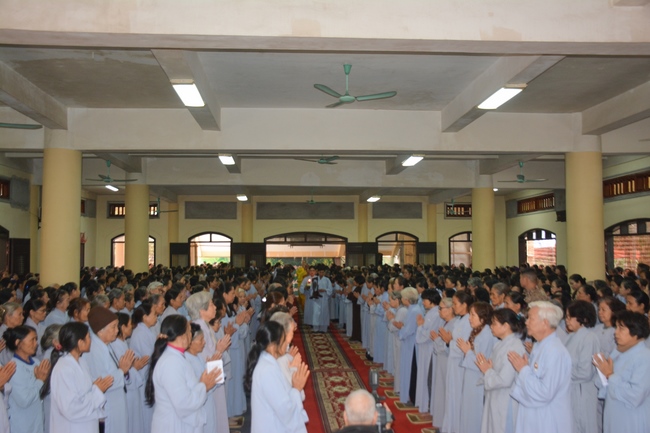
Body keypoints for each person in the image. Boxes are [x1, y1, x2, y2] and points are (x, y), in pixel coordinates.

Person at [146, 314, 220, 433]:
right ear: (182, 336)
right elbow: (184, 404)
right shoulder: (171, 362)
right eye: (189, 331)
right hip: (174, 425)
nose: (191, 335)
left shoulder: (177, 357)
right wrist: (203, 386)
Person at [508, 301, 572, 433]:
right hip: (534, 416)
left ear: (545, 323)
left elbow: (545, 392)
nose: (526, 322)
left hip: (547, 419)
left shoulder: (555, 351)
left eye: (530, 318)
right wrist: (523, 370)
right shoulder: (539, 346)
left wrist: (523, 370)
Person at [44, 321, 113, 433]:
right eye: (88, 337)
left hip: (87, 425)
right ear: (80, 342)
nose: (91, 341)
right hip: (72, 427)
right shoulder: (63, 368)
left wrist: (95, 386)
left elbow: (84, 391)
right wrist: (97, 391)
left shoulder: (81, 362)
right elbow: (71, 408)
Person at [245, 320, 310, 433]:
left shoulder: (269, 363)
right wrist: (296, 388)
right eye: (283, 340)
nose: (286, 344)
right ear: (272, 346)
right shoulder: (267, 370)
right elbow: (285, 412)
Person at [594, 310, 650, 433]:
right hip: (614, 416)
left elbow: (636, 395)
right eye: (616, 327)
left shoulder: (645, 357)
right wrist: (603, 374)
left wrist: (610, 375)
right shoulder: (618, 352)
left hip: (632, 419)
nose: (616, 332)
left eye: (621, 328)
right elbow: (605, 386)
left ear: (636, 332)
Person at [85, 306, 134, 433]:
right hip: (109, 405)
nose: (117, 330)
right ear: (100, 331)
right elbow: (103, 382)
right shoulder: (94, 351)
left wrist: (125, 372)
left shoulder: (106, 345)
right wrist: (122, 371)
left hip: (117, 401)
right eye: (113, 327)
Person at [187, 291, 230, 433]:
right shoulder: (198, 328)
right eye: (211, 305)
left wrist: (218, 351)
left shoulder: (204, 326)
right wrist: (219, 350)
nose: (215, 307)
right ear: (202, 310)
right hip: (207, 382)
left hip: (213, 380)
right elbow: (204, 361)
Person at [477, 308, 526, 433]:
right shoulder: (500, 344)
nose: (491, 327)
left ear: (505, 326)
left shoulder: (514, 347)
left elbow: (505, 380)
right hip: (495, 396)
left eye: (494, 323)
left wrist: (487, 371)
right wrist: (487, 369)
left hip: (505, 399)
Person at [458, 301, 496, 433]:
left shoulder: (486, 334)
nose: (469, 318)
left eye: (473, 315)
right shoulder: (478, 331)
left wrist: (467, 352)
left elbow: (482, 361)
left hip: (478, 379)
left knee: (474, 411)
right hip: (470, 376)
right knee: (467, 409)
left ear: (483, 318)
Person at [4, 325, 50, 433]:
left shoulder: (36, 362)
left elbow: (43, 393)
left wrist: (46, 379)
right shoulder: (13, 367)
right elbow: (24, 400)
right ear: (18, 343)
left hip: (37, 421)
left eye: (36, 339)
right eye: (32, 340)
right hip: (22, 425)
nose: (36, 343)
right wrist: (40, 381)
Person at [564, 300, 600, 433]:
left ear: (583, 319)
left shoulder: (589, 337)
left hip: (582, 391)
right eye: (566, 317)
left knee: (583, 425)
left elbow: (585, 372)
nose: (567, 320)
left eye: (570, 317)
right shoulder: (570, 337)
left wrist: (562, 372)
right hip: (570, 389)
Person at [111, 312, 149, 433]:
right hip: (128, 392)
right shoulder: (115, 345)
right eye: (129, 324)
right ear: (123, 328)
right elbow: (123, 369)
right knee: (131, 424)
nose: (132, 326)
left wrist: (134, 366)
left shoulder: (122, 343)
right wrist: (135, 367)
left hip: (133, 391)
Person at [441, 290, 473, 433]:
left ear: (464, 304)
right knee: (451, 395)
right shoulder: (460, 320)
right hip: (453, 362)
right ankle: (449, 427)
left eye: (455, 304)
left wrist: (450, 342)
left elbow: (463, 345)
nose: (453, 307)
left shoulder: (468, 321)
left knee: (456, 396)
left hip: (460, 365)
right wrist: (448, 342)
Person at [429, 297, 457, 427]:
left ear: (451, 309)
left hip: (447, 362)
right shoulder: (446, 323)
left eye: (441, 308)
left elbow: (447, 347)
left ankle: (445, 423)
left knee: (445, 391)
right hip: (441, 361)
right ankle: (440, 420)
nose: (439, 311)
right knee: (440, 390)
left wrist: (437, 340)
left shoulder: (454, 324)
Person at [414, 289, 442, 412]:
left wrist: (420, 326)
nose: (423, 302)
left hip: (429, 349)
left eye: (424, 300)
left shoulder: (435, 314)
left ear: (431, 300)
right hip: (426, 348)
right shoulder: (431, 312)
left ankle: (427, 404)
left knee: (428, 376)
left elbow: (428, 334)